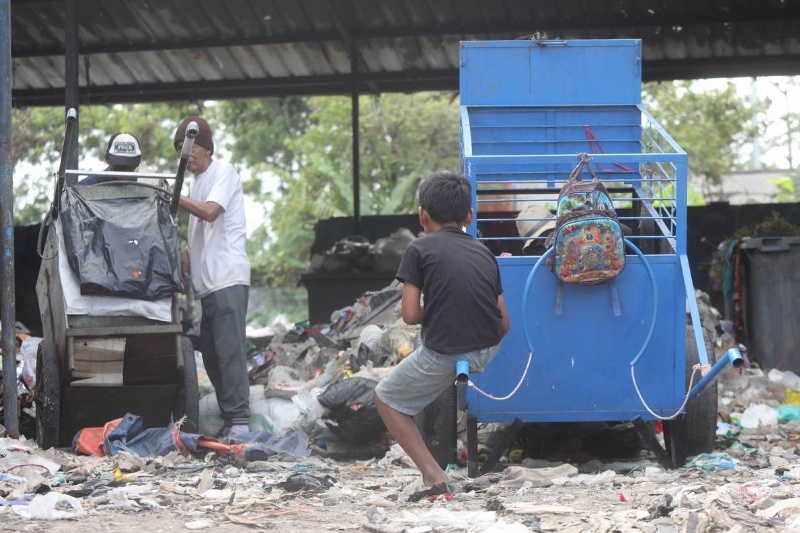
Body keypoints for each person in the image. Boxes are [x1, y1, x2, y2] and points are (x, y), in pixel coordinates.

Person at [373, 170, 510, 494]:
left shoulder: (418, 250)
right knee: (437, 354)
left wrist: (436, 310)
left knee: (386, 398)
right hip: (489, 347)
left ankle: (434, 475)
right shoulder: (484, 252)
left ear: (422, 215)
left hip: (448, 351)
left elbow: (409, 316)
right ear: (469, 216)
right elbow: (504, 323)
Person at [172, 116, 251, 439]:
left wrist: (172, 196)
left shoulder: (223, 172)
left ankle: (241, 421)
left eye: (188, 149)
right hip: (208, 286)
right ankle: (230, 417)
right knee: (213, 354)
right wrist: (187, 252)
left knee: (230, 352)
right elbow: (200, 226)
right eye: (179, 150)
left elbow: (209, 212)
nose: (185, 156)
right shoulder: (196, 183)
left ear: (205, 148)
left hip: (227, 277)